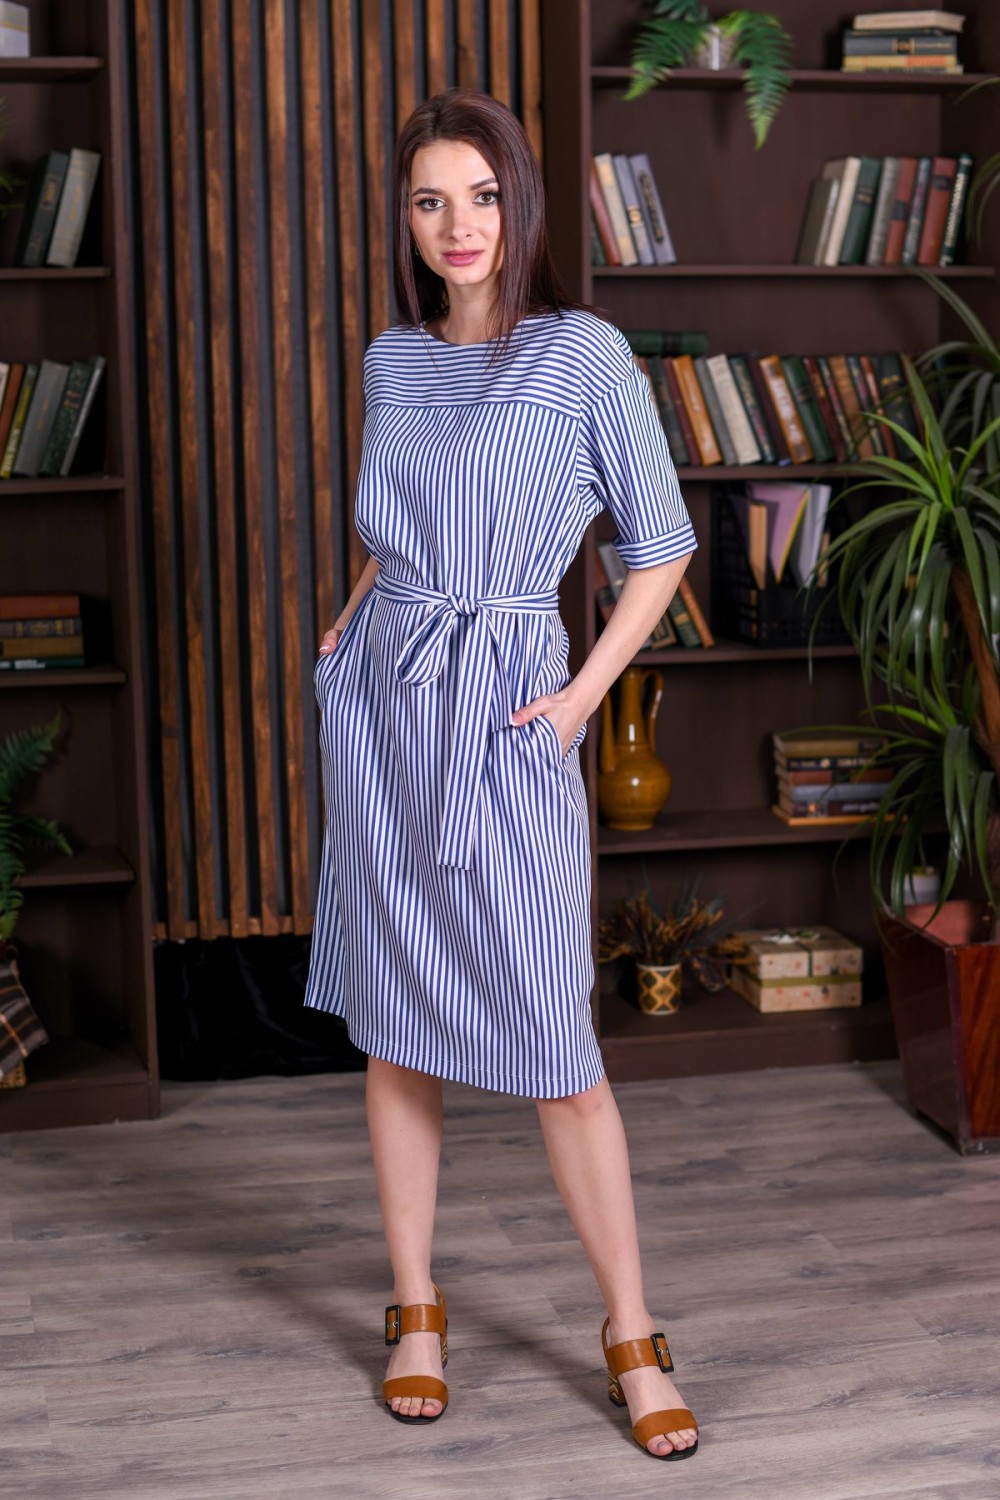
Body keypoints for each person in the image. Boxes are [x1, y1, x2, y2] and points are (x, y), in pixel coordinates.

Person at [304, 86, 700, 1462]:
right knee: (395, 1022)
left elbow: (661, 547)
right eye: (430, 200)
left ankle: (630, 1328)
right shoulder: (392, 357)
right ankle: (416, 1307)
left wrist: (579, 700)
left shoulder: (581, 353)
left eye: (479, 195)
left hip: (512, 711)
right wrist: (353, 612)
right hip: (386, 708)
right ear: (405, 219)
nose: (456, 224)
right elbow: (399, 526)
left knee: (556, 1042)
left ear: (518, 201)